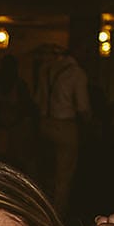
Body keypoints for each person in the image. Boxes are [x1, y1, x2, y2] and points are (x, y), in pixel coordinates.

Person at [37, 44, 91, 216]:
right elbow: (83, 107)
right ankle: (56, 218)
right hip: (65, 125)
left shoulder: (46, 69)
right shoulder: (76, 73)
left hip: (44, 123)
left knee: (45, 174)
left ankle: (40, 212)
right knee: (63, 177)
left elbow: (37, 98)